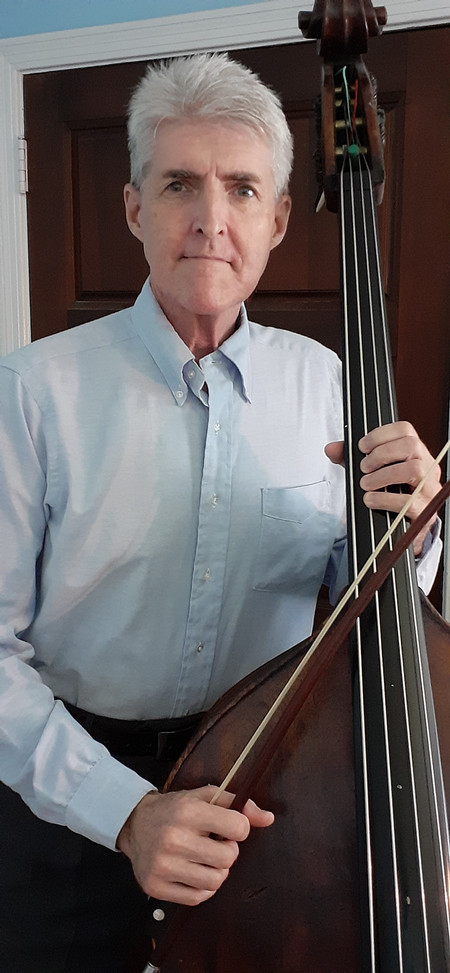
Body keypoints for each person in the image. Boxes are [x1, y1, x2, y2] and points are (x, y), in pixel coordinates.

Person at [0, 53, 442, 973]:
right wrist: (122, 809)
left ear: (278, 219)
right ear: (133, 208)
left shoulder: (329, 382)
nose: (210, 220)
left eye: (241, 188)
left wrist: (415, 529)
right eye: (179, 185)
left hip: (268, 792)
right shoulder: (33, 391)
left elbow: (358, 603)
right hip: (68, 798)